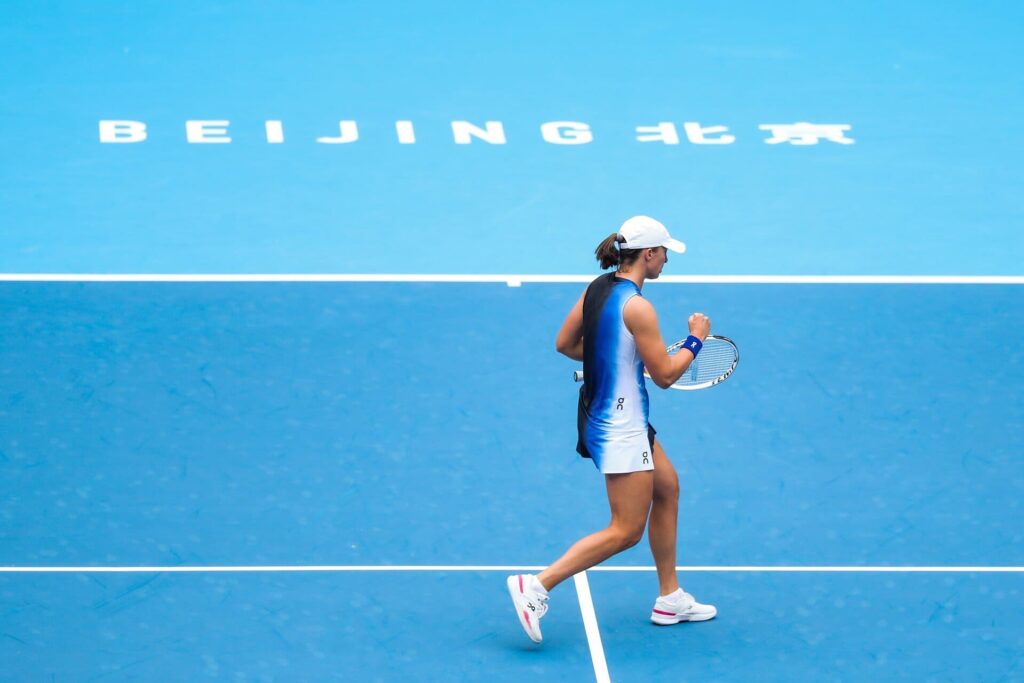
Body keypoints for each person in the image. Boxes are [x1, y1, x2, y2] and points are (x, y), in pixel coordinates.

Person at [507, 215, 716, 644]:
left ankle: (670, 597)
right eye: (664, 252)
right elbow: (665, 375)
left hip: (606, 411)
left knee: (667, 488)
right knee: (625, 530)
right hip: (620, 424)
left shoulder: (597, 288)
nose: (667, 260)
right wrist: (695, 339)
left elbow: (566, 345)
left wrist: (614, 358)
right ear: (649, 254)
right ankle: (537, 585)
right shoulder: (638, 307)